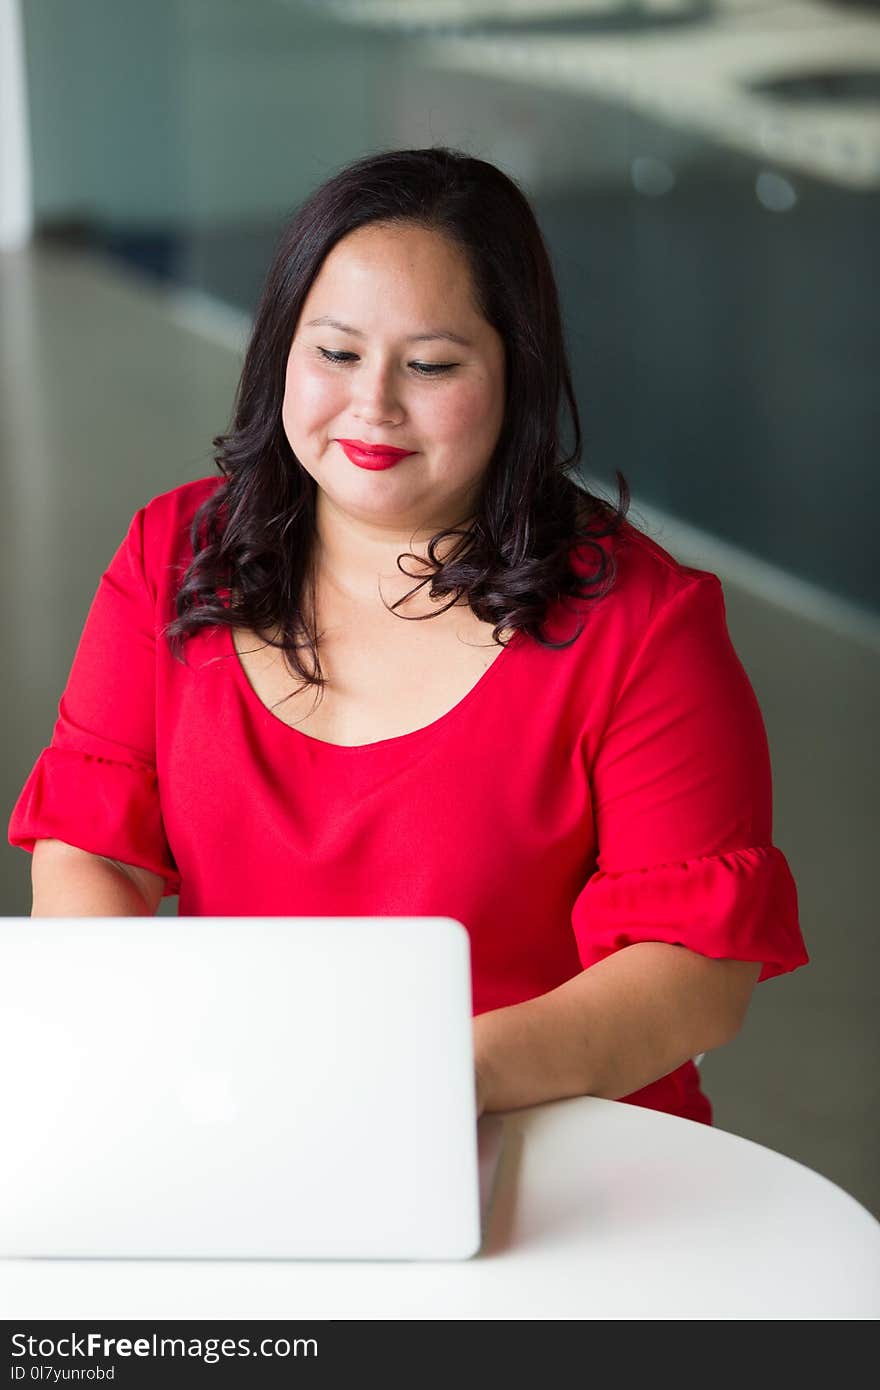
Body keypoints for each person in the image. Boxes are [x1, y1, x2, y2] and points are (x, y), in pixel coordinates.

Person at [8, 146, 808, 1125]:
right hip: (247, 1122)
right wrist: (140, 1047)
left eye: (430, 364)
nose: (373, 403)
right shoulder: (172, 554)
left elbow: (692, 973)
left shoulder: (646, 626)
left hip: (549, 1132)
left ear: (517, 372)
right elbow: (92, 848)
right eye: (335, 352)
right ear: (280, 354)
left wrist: (435, 1084)